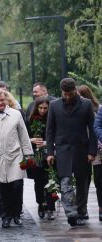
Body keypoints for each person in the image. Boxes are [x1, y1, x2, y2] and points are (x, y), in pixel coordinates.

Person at [46, 78, 97, 227]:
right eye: (65, 94)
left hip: (82, 149)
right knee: (65, 182)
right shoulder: (54, 106)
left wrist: (92, 151)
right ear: (62, 92)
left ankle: (81, 211)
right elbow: (50, 131)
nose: (68, 97)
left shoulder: (86, 104)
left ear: (75, 90)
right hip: (63, 150)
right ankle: (71, 213)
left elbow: (93, 130)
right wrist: (50, 152)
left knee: (82, 182)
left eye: (71, 93)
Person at [0, 89, 33, 228]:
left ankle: (16, 214)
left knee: (16, 186)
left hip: (15, 156)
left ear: (6, 100)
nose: (0, 103)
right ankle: (5, 217)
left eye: (2, 100)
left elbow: (23, 135)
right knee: (1, 189)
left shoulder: (16, 114)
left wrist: (28, 154)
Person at [26, 97, 56, 220]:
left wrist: (47, 142)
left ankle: (50, 207)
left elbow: (57, 137)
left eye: (45, 108)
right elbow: (24, 138)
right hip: (36, 155)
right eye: (40, 108)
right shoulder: (29, 121)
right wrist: (31, 140)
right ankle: (41, 203)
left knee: (51, 180)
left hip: (49, 154)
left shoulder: (53, 120)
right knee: (38, 182)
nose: (43, 110)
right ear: (36, 107)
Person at [77, 85, 100, 220]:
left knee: (97, 180)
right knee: (84, 179)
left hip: (97, 148)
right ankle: (82, 208)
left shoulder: (96, 109)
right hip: (82, 147)